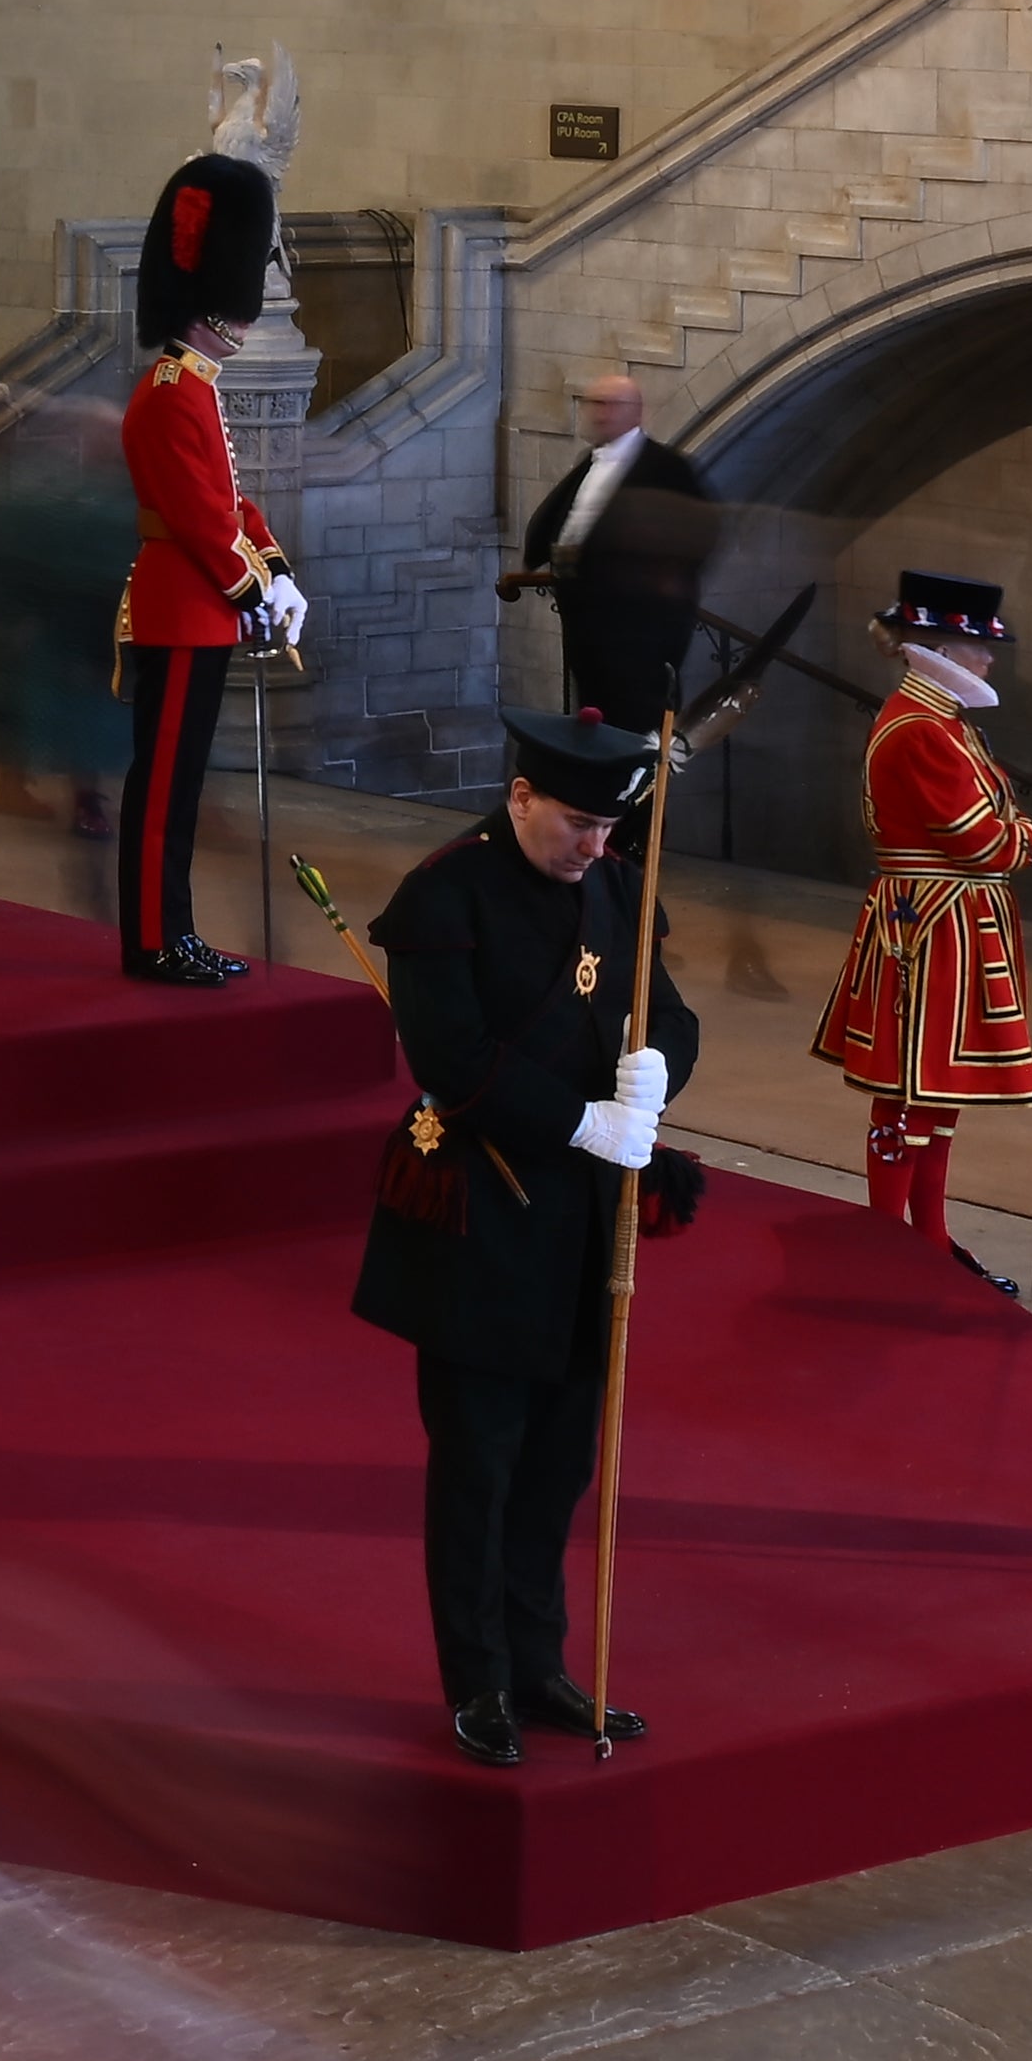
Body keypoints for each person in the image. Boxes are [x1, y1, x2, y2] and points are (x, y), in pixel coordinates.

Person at [350, 691, 701, 1766]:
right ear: (518, 794)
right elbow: (450, 1057)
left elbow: (670, 1013)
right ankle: (478, 1678)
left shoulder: (616, 887)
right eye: (573, 824)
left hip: (585, 1227)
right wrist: (584, 1117)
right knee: (480, 1462)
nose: (590, 846)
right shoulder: (445, 894)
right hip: (484, 1221)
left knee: (560, 1460)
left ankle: (539, 1658)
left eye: (607, 829)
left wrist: (658, 1077)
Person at [808, 564, 1032, 1246]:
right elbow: (983, 844)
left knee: (937, 1098)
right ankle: (892, 1244)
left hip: (948, 921)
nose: (989, 658)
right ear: (940, 649)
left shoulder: (944, 722)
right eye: (979, 646)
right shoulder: (923, 729)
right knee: (909, 1098)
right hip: (929, 930)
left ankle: (926, 1237)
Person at [107, 151, 301, 984]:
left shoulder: (193, 384)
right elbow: (197, 519)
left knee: (180, 788)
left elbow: (229, 500)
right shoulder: (173, 389)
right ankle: (156, 938)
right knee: (165, 791)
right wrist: (252, 587)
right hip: (185, 608)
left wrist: (278, 570)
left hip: (199, 607)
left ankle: (170, 930)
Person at [502, 361, 713, 742]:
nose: (598, 414)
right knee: (595, 723)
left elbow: (698, 540)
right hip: (589, 628)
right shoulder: (591, 460)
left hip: (638, 637)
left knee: (631, 732)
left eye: (607, 404)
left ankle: (632, 800)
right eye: (592, 403)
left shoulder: (667, 470)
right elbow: (564, 518)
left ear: (634, 411)